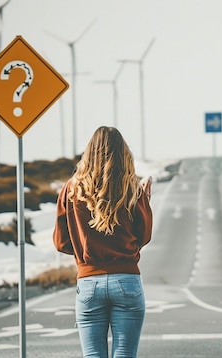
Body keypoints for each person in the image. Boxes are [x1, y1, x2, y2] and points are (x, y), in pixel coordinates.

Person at [53, 126, 153, 358]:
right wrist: (145, 201)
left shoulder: (71, 189)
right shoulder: (131, 188)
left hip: (88, 283)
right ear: (123, 153)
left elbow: (60, 242)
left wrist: (83, 250)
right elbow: (143, 237)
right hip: (127, 281)